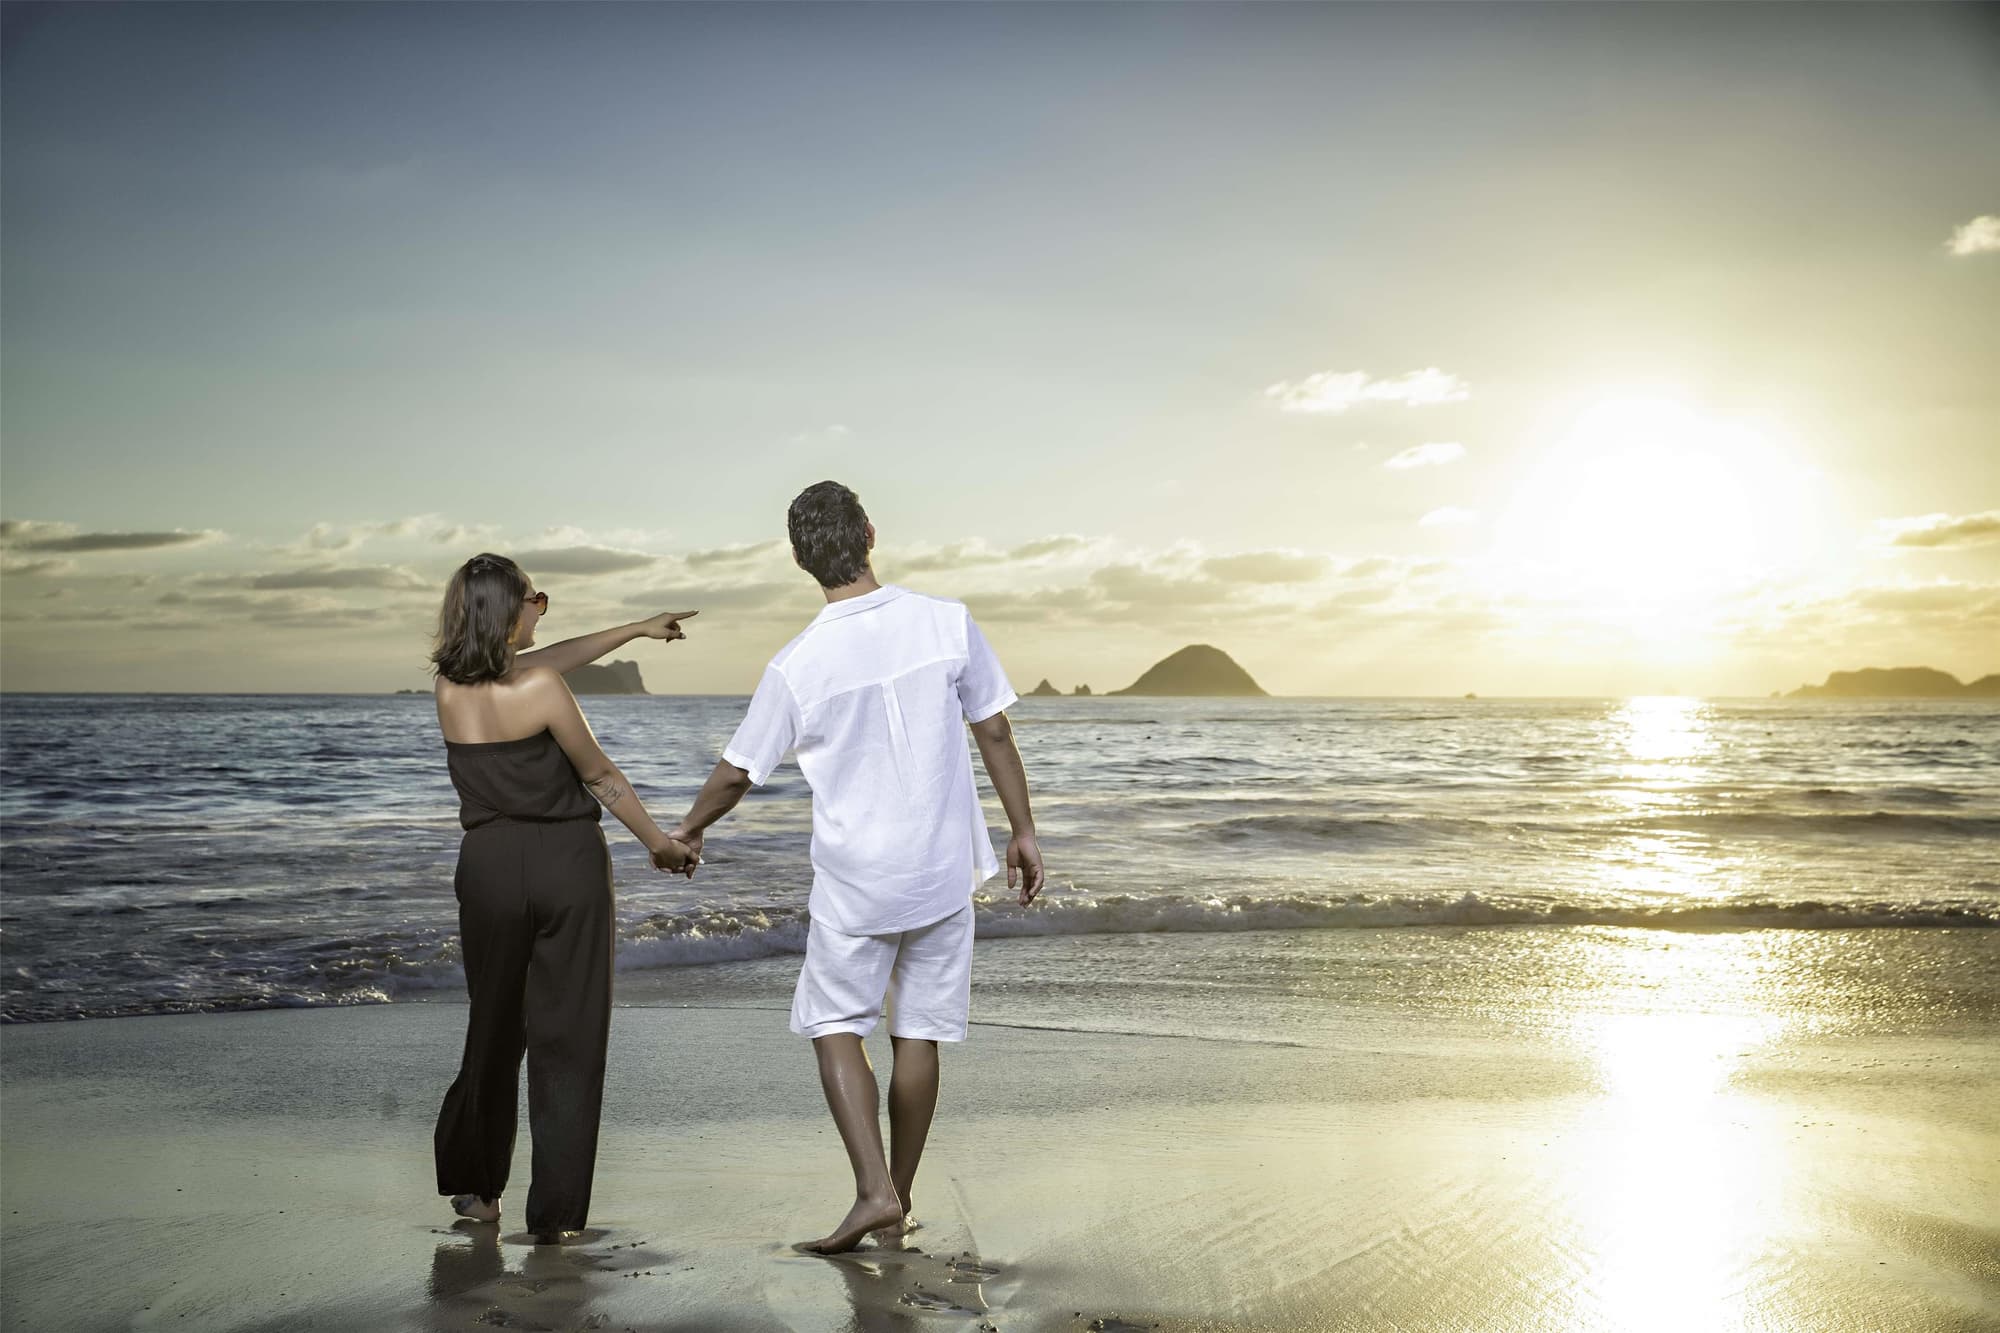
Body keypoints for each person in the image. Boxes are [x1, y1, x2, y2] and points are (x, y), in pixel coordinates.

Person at [668, 481, 1045, 1254]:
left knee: (834, 1023)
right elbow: (996, 733)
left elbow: (739, 772)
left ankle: (874, 1192)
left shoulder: (798, 664)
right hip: (943, 869)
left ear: (802, 560)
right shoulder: (946, 622)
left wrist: (688, 829)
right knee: (918, 1033)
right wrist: (1024, 832)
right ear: (870, 532)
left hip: (858, 881)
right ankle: (896, 1201)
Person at [428, 553, 699, 1243]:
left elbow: (545, 657)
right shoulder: (544, 689)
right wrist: (659, 842)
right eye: (535, 600)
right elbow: (601, 776)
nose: (541, 611)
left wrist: (636, 629)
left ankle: (476, 1186)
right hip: (565, 867)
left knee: (491, 1027)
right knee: (568, 1037)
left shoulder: (448, 688)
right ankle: (553, 1216)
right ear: (509, 610)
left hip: (487, 869)